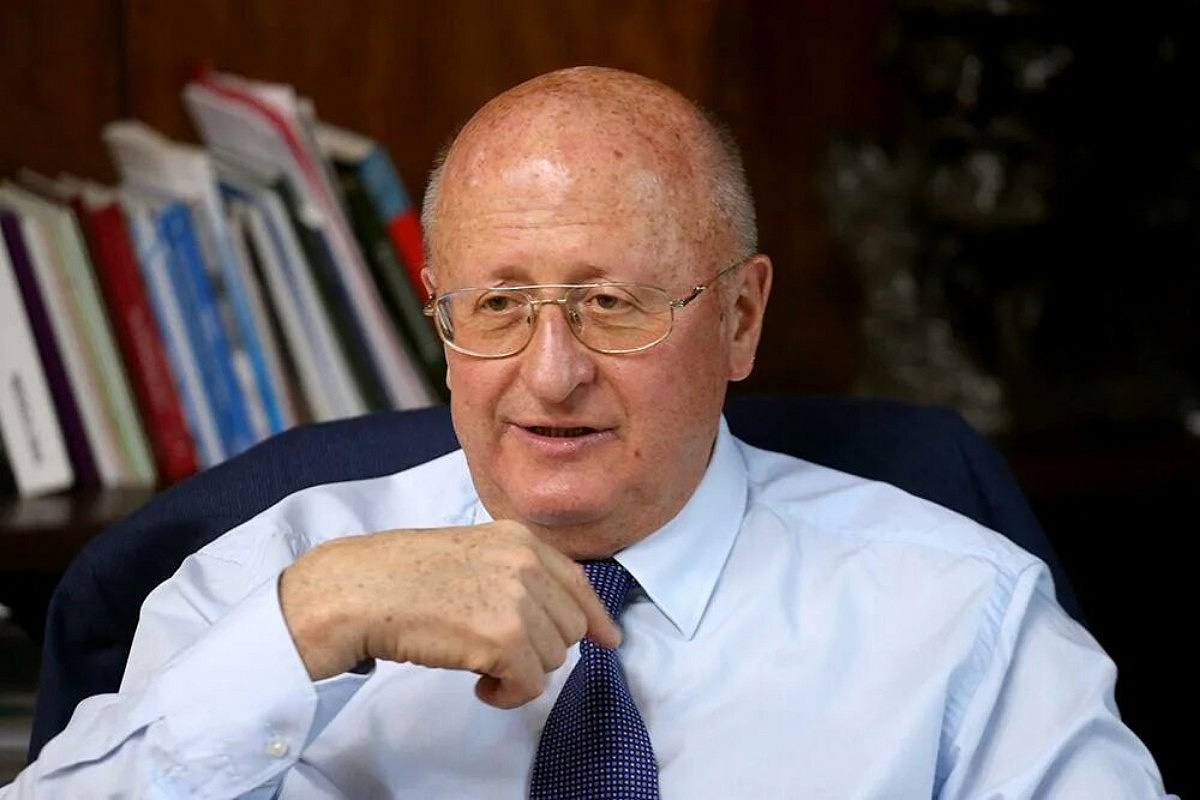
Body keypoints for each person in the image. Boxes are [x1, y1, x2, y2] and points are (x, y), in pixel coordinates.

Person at [1, 66, 1174, 798]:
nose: (550, 374)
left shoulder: (962, 614)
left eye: (612, 303)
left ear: (741, 316)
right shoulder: (271, 574)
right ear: (438, 316)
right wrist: (310, 624)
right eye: (497, 306)